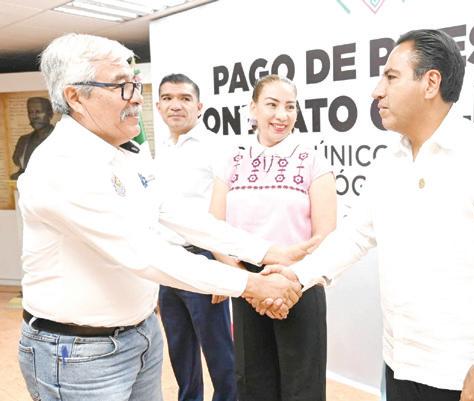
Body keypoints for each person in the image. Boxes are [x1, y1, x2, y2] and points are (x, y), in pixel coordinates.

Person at [16, 33, 310, 401]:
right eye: (121, 86)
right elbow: (144, 252)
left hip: (139, 335)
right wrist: (251, 284)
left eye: (135, 83)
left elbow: (174, 212)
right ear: (76, 96)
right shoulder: (61, 166)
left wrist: (266, 252)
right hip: (80, 355)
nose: (137, 97)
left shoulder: (126, 151)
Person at [260, 30, 474, 401]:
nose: (377, 91)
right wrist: (297, 276)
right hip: (399, 365)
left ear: (431, 83)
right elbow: (355, 236)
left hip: (465, 374)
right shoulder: (388, 162)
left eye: (391, 77)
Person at [210, 74, 337, 401]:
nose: (282, 115)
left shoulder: (313, 159)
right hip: (246, 282)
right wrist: (248, 284)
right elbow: (214, 230)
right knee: (253, 383)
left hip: (299, 283)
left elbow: (326, 235)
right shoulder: (232, 160)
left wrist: (290, 281)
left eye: (290, 107)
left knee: (303, 387)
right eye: (272, 104)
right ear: (253, 108)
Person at [154, 73, 237, 401]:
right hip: (167, 262)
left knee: (220, 355)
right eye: (168, 98)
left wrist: (224, 269)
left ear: (199, 106)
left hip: (203, 259)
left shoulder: (216, 148)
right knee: (181, 354)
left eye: (185, 98)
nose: (176, 105)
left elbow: (228, 209)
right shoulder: (160, 149)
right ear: (158, 106)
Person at [10, 97, 55, 179]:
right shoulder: (23, 141)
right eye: (31, 112)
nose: (34, 116)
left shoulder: (63, 139)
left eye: (38, 112)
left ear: (50, 114)